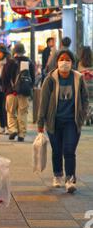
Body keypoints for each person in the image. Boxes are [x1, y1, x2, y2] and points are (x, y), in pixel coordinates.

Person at [37, 50, 89, 193]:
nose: (64, 62)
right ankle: (57, 174)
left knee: (69, 150)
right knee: (57, 150)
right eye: (61, 59)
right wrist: (40, 123)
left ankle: (70, 179)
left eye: (67, 59)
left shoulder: (78, 78)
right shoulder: (50, 79)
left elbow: (85, 98)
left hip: (72, 122)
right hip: (54, 121)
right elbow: (44, 102)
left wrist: (82, 115)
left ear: (72, 62)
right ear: (57, 61)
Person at [3, 43, 35, 142]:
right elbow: (32, 78)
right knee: (23, 113)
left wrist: (6, 89)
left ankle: (13, 129)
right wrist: (29, 87)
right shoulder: (29, 62)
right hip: (24, 92)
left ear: (14, 51)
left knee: (11, 112)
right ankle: (22, 134)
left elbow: (4, 77)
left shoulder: (10, 62)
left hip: (11, 92)